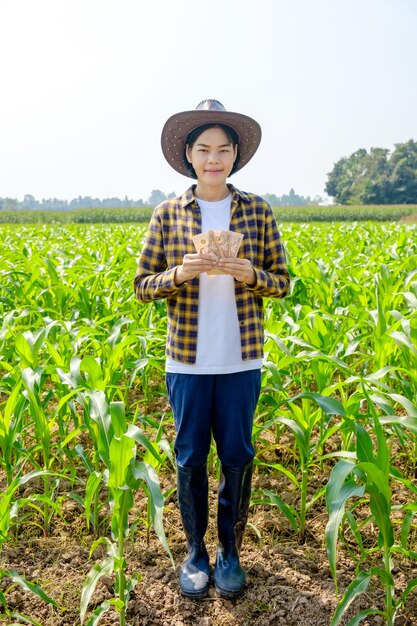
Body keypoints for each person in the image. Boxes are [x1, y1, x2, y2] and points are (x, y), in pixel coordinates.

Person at [134, 99, 290, 599]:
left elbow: (283, 282)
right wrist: (181, 273)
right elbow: (141, 285)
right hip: (187, 359)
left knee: (238, 455)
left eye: (223, 149)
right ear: (188, 155)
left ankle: (229, 553)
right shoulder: (167, 214)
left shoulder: (258, 211)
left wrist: (253, 275)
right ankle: (195, 553)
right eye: (204, 149)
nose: (214, 158)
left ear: (236, 155)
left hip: (242, 358)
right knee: (190, 456)